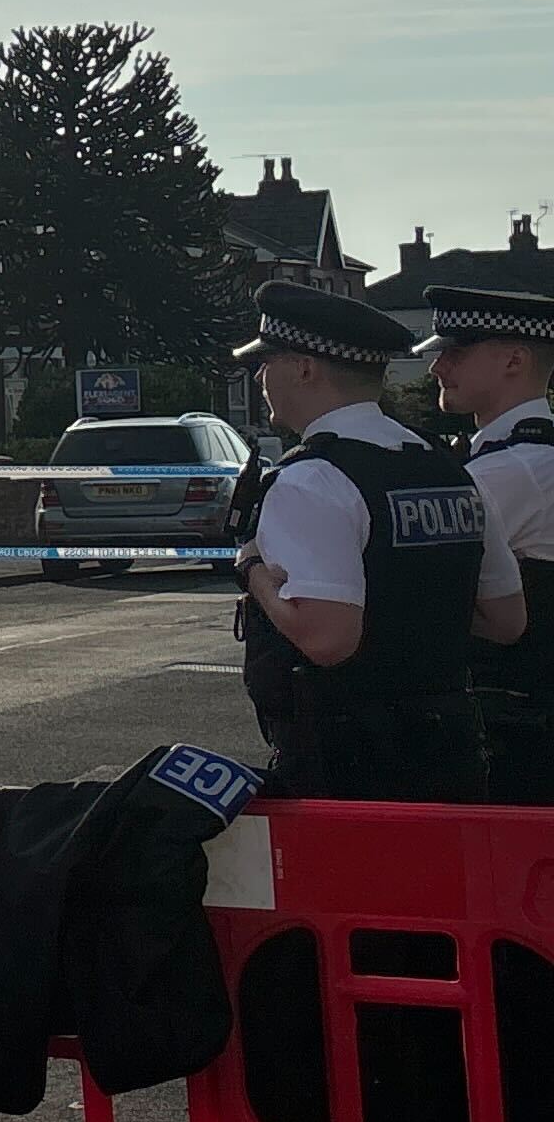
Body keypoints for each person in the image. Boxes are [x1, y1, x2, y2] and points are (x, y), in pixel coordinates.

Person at [232, 280, 524, 801]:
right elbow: (505, 622)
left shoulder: (312, 478)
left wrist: (252, 571)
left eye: (268, 360)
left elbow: (327, 640)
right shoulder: (448, 469)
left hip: (347, 764)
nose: (260, 375)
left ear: (304, 368)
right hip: (451, 751)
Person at [428, 283, 554, 806]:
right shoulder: (520, 458)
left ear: (514, 359)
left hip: (516, 727)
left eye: (456, 352)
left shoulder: (510, 470)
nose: (438, 367)